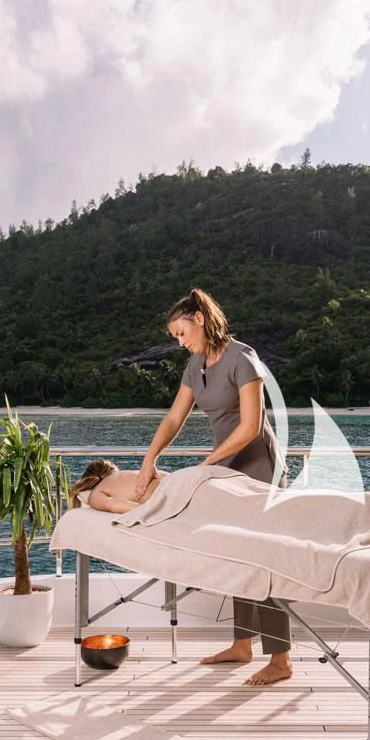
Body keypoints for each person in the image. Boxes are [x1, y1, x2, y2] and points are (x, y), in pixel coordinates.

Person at [135, 288, 292, 686]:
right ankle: (242, 645)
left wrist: (206, 464)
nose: (180, 340)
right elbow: (174, 418)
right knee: (234, 553)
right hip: (225, 471)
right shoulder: (195, 365)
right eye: (175, 336)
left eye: (181, 331)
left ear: (200, 319)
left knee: (264, 560)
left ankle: (281, 659)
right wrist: (148, 459)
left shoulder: (243, 358)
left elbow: (251, 426)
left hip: (260, 471)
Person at [67, 459, 165, 514]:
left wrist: (156, 512)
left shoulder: (95, 494)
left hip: (170, 496)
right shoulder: (127, 475)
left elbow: (112, 504)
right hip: (174, 480)